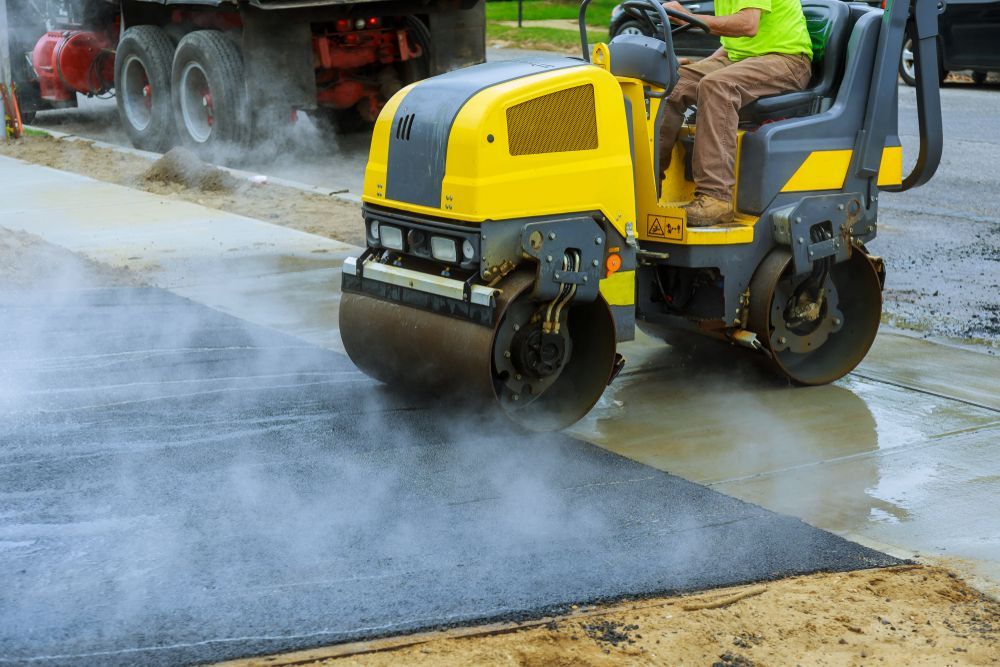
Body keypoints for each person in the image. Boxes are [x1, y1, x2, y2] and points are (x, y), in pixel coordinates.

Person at [659, 0, 814, 226]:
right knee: (672, 83)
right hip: (740, 58)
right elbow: (734, 43)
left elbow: (748, 25)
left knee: (717, 86)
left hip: (786, 60)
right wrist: (701, 66)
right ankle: (647, 184)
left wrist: (689, 19)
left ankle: (716, 198)